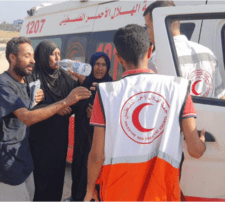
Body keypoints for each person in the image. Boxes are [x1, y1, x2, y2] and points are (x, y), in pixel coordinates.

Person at [84, 24, 206, 202]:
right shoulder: (178, 89)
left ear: (117, 57)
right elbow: (195, 150)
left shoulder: (106, 94)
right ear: (150, 51)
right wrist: (202, 141)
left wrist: (89, 190)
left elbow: (96, 155)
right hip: (161, 194)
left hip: (116, 193)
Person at [0, 37, 91, 202]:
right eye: (27, 56)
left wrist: (80, 81)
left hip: (25, 160)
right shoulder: (2, 84)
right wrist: (61, 104)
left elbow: (31, 105)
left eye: (33, 56)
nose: (33, 60)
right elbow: (27, 116)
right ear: (12, 57)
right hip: (9, 162)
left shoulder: (25, 82)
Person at [28, 40, 88, 202]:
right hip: (39, 140)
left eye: (59, 54)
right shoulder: (33, 76)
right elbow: (26, 109)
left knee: (56, 179)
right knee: (39, 183)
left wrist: (80, 79)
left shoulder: (63, 77)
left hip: (59, 140)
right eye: (52, 54)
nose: (57, 58)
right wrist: (57, 107)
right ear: (42, 56)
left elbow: (78, 100)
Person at [144, 1, 225, 99]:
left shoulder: (157, 59)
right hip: (208, 114)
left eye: (148, 26)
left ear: (158, 25)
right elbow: (220, 95)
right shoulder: (208, 53)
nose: (147, 32)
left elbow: (155, 100)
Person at [67, 52, 112, 202]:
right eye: (97, 64)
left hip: (100, 143)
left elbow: (116, 116)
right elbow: (72, 106)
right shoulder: (83, 85)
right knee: (79, 170)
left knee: (94, 174)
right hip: (81, 140)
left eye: (103, 65)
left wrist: (96, 116)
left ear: (108, 67)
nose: (100, 68)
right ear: (91, 66)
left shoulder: (112, 87)